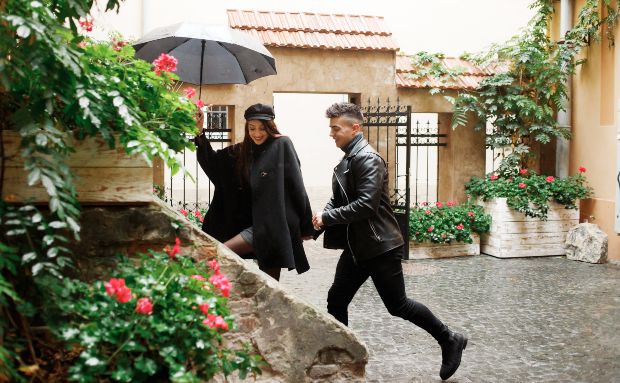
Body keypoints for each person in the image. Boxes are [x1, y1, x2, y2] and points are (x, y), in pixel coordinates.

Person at [312, 102, 467, 381]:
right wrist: (317, 223)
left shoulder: (367, 159)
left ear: (354, 128)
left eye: (336, 128)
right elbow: (339, 199)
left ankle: (450, 338)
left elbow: (365, 206)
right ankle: (342, 360)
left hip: (380, 245)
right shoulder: (348, 159)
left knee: (398, 306)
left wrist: (327, 217)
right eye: (331, 128)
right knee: (337, 299)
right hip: (359, 246)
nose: (331, 134)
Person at [195, 103, 313, 280]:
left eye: (262, 128)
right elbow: (213, 164)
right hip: (253, 225)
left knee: (271, 282)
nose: (257, 133)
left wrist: (305, 227)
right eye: (252, 128)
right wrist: (199, 131)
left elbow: (297, 186)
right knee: (221, 254)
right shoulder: (241, 151)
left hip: (273, 226)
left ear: (270, 127)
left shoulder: (282, 144)